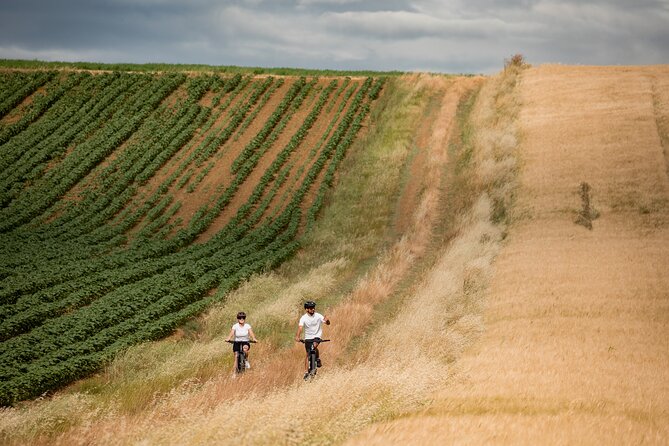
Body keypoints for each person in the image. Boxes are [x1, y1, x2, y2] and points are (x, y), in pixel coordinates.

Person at [295, 300, 330, 379]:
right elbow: (300, 328)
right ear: (307, 309)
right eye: (311, 308)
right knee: (308, 353)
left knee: (314, 345)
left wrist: (327, 321)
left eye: (313, 308)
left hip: (317, 335)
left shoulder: (318, 316)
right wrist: (297, 336)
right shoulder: (303, 318)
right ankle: (306, 372)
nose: (313, 309)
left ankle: (316, 358)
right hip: (308, 337)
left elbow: (327, 323)